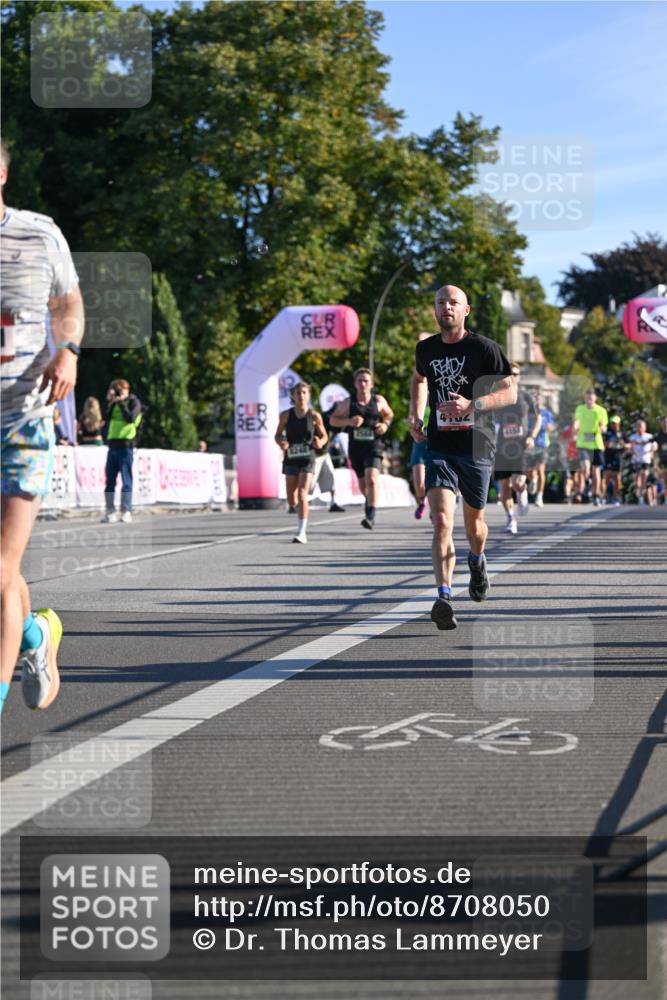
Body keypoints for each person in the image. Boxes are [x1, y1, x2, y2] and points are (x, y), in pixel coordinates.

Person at [0, 139, 84, 714]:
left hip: (24, 418)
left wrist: (69, 349)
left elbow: (69, 303)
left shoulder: (38, 233)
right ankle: (36, 637)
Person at [409, 284, 515, 630]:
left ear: (465, 310)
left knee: (475, 528)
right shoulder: (425, 348)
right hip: (440, 446)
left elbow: (509, 392)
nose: (446, 308)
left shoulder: (484, 349)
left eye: (453, 303)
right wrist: (415, 413)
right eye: (441, 303)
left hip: (477, 446)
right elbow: (419, 378)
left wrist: (473, 404)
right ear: (435, 309)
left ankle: (477, 559)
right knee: (441, 520)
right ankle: (443, 596)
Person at [330, 368, 393, 530]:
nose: (363, 383)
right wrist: (349, 422)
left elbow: (389, 415)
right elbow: (333, 420)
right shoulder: (348, 403)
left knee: (372, 479)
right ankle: (368, 501)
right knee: (363, 485)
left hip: (374, 446)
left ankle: (370, 516)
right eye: (360, 381)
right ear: (355, 384)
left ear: (371, 384)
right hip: (356, 447)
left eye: (366, 381)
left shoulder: (378, 401)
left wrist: (384, 425)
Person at [274, 381, 327, 543]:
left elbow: (324, 435)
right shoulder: (285, 415)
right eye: (298, 393)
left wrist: (320, 443)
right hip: (291, 458)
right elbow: (277, 435)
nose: (301, 396)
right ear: (293, 396)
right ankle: (295, 507)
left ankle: (301, 531)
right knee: (292, 498)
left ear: (309, 395)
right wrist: (282, 442)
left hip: (307, 458)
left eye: (304, 393)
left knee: (303, 493)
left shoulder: (315, 416)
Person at [493, 363, 541, 535]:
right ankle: (511, 518)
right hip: (502, 446)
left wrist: (532, 436)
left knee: (518, 482)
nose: (513, 377)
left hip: (521, 446)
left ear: (519, 377)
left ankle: (522, 494)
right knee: (504, 486)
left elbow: (538, 418)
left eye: (515, 374)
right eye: (509, 374)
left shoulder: (526, 397)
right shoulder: (497, 398)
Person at [102, 378, 142, 524]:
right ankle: (110, 510)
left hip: (126, 446)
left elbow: (130, 418)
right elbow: (105, 417)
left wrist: (121, 403)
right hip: (113, 445)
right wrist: (111, 402)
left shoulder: (133, 402)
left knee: (126, 480)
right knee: (109, 480)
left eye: (120, 390)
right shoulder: (114, 404)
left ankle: (126, 510)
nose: (119, 393)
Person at [573, 388, 608, 505]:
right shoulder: (580, 409)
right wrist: (575, 427)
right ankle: (588, 483)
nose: (590, 400)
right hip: (583, 443)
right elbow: (577, 421)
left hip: (596, 444)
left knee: (596, 471)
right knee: (586, 468)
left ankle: (596, 494)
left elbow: (604, 426)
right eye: (588, 398)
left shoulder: (601, 411)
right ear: (585, 398)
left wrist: (602, 428)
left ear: (595, 399)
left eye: (592, 398)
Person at [527, 390, 554, 507]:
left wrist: (548, 426)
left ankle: (539, 496)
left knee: (541, 471)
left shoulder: (547, 413)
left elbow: (551, 429)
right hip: (529, 445)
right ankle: (533, 480)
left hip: (542, 444)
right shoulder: (528, 412)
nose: (536, 400)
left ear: (542, 400)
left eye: (538, 398)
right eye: (534, 398)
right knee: (530, 470)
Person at [628, 418, 657, 505]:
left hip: (646, 460)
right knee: (637, 479)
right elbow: (630, 447)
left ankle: (643, 494)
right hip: (636, 460)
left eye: (641, 427)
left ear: (645, 427)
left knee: (645, 476)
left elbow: (655, 446)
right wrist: (632, 450)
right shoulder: (633, 437)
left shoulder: (649, 436)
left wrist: (651, 452)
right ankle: (639, 494)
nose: (640, 428)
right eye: (638, 427)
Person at [602, 415, 627, 505]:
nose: (614, 425)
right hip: (608, 457)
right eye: (613, 423)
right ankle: (604, 497)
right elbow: (603, 444)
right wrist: (607, 444)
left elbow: (629, 445)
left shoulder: (622, 434)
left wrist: (623, 444)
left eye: (616, 423)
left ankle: (616, 497)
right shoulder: (607, 433)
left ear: (619, 424)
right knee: (606, 478)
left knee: (617, 478)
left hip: (618, 458)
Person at [655, 416, 667, 505]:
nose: (665, 424)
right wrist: (656, 463)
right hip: (662, 460)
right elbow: (655, 448)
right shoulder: (659, 435)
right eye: (664, 422)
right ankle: (665, 498)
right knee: (663, 480)